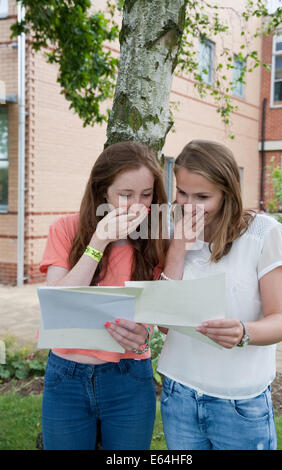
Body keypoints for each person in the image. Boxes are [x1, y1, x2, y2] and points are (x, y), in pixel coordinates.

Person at [157, 139, 282, 450]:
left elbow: (279, 322)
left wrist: (244, 331)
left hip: (240, 403)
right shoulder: (171, 230)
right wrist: (177, 250)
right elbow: (164, 324)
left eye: (202, 196)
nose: (189, 206)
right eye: (182, 193)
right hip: (180, 394)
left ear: (227, 192)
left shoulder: (263, 233)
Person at [39, 141, 168, 450]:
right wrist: (99, 242)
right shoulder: (65, 229)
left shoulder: (156, 238)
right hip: (66, 377)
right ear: (102, 192)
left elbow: (160, 312)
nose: (138, 206)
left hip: (129, 377)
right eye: (125, 195)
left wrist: (144, 330)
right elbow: (56, 305)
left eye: (146, 195)